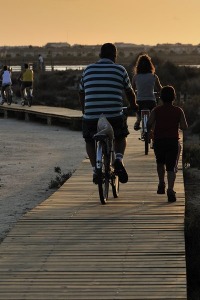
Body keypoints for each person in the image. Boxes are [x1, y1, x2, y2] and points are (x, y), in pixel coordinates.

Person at [79, 43, 138, 184]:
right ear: (114, 56)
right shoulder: (120, 70)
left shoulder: (88, 70)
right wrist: (133, 105)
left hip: (91, 116)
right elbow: (129, 92)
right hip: (114, 115)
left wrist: (84, 109)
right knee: (120, 135)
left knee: (89, 139)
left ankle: (95, 169)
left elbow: (81, 92)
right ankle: (118, 159)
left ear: (100, 54)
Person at [147, 85, 188, 202]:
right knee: (171, 167)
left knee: (160, 163)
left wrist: (150, 131)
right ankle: (170, 189)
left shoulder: (156, 110)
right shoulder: (178, 110)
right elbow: (184, 126)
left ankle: (161, 183)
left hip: (159, 141)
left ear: (161, 97)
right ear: (174, 97)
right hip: (172, 142)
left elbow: (149, 123)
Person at [132, 53, 162, 130]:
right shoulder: (154, 76)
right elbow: (160, 89)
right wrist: (160, 93)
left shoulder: (135, 77)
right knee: (153, 118)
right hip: (151, 101)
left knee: (137, 111)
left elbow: (132, 90)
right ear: (150, 65)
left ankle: (138, 121)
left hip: (139, 102)